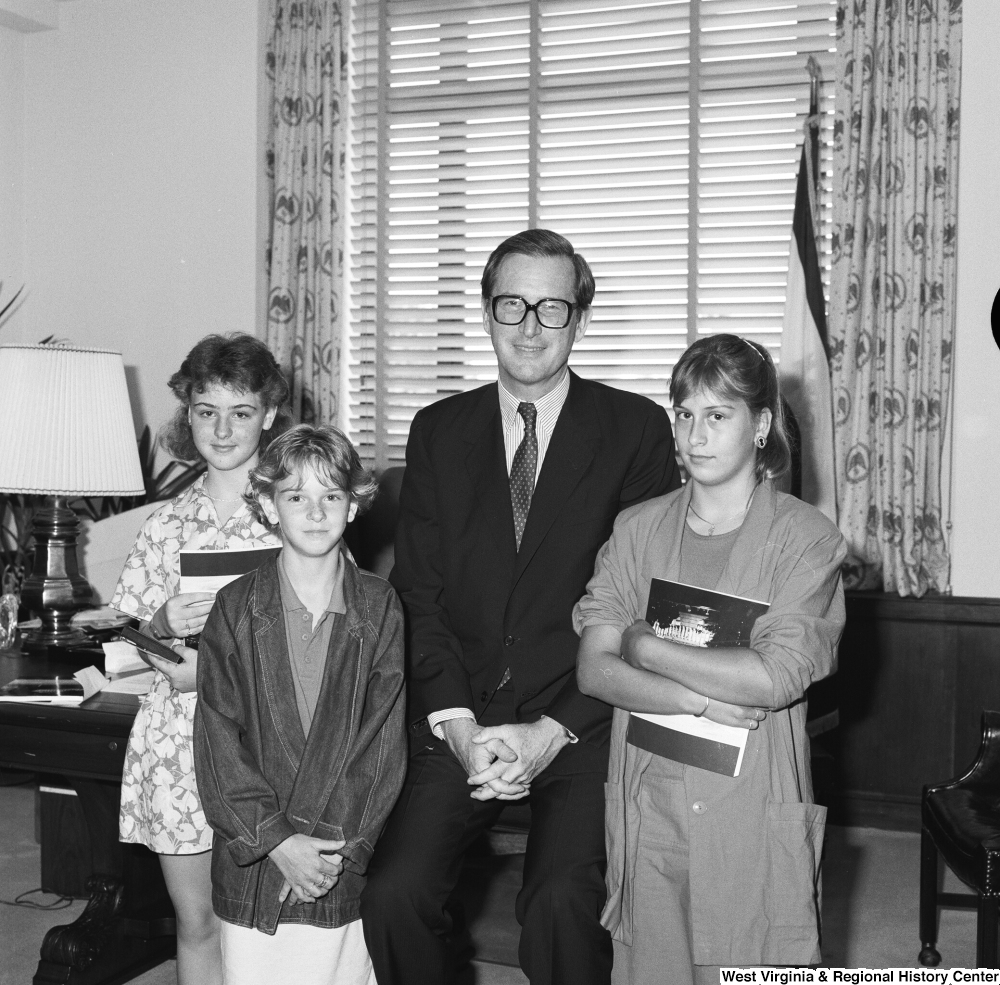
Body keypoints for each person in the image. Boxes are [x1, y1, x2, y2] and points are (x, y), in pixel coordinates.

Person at [360, 228, 680, 985]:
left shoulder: (635, 429)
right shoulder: (438, 430)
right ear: (486, 312)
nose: (531, 326)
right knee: (393, 893)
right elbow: (420, 596)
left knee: (562, 903)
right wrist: (460, 726)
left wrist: (553, 727)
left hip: (582, 717)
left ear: (580, 317)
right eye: (512, 304)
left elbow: (640, 609)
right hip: (461, 715)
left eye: (552, 307)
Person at [574, 333, 848, 984]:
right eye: (684, 412)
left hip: (748, 811)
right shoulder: (636, 529)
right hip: (651, 800)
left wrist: (644, 644)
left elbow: (771, 675)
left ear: (760, 426)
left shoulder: (806, 540)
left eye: (718, 414)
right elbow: (593, 668)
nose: (695, 433)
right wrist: (695, 696)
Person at [193, 424, 405, 985]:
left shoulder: (381, 606)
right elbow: (217, 743)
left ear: (354, 505)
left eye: (330, 496)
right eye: (296, 497)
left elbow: (382, 747)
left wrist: (327, 853)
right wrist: (279, 842)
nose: (315, 512)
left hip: (338, 857)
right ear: (267, 504)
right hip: (257, 860)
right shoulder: (235, 607)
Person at [110, 333, 292, 985]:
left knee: (269, 924)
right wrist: (156, 625)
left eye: (240, 411)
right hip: (177, 750)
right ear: (188, 413)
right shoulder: (165, 525)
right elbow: (124, 656)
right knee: (199, 922)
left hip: (268, 746)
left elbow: (341, 638)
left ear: (269, 415)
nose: (222, 427)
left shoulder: (298, 514)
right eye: (206, 409)